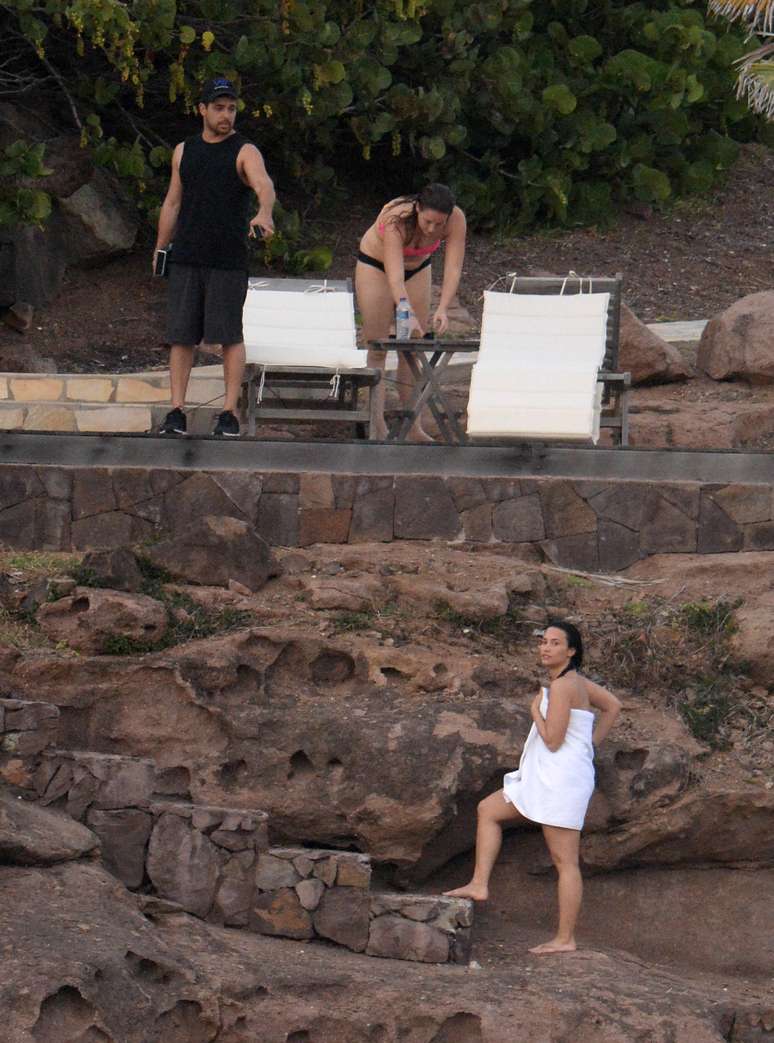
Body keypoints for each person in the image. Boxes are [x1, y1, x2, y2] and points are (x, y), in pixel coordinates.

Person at [444, 621, 622, 955]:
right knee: (488, 809)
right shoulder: (576, 682)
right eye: (543, 642)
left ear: (571, 651)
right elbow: (613, 705)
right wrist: (589, 745)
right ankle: (479, 883)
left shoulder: (564, 686)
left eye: (555, 643)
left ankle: (565, 939)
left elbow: (552, 740)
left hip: (561, 779)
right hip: (549, 775)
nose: (546, 648)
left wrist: (535, 712)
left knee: (565, 861)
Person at [154, 76, 276, 437]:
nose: (226, 115)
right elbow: (172, 202)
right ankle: (176, 410)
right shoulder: (184, 150)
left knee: (229, 335)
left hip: (227, 259)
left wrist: (264, 212)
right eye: (219, 108)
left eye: (231, 108)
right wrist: (161, 246)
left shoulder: (244, 150)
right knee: (181, 335)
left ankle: (228, 412)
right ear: (202, 110)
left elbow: (263, 184)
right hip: (187, 255)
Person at [355, 183, 466, 441]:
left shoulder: (456, 220)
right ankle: (377, 424)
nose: (432, 229)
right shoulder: (395, 219)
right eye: (427, 222)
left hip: (418, 267)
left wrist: (443, 307)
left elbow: (453, 268)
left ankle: (413, 427)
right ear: (417, 209)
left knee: (413, 348)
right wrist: (406, 310)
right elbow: (395, 278)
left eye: (438, 224)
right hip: (377, 266)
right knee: (378, 346)